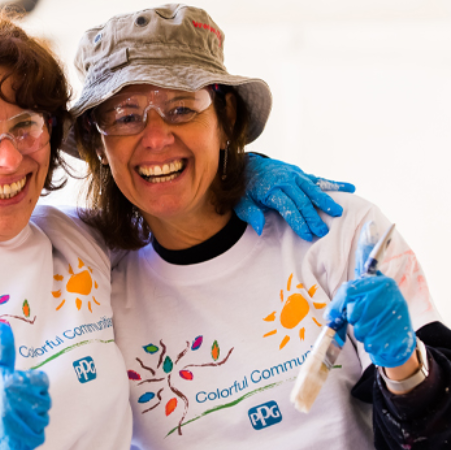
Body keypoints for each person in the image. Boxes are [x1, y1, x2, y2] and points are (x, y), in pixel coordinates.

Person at [0, 9, 353, 450]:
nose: (8, 158)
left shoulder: (71, 238)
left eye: (26, 125)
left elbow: (167, 208)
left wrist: (232, 174)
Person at [69, 4, 451, 449]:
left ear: (226, 117)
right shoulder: (90, 284)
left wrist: (407, 367)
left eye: (181, 107)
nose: (155, 138)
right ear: (98, 143)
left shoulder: (337, 232)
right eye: (126, 116)